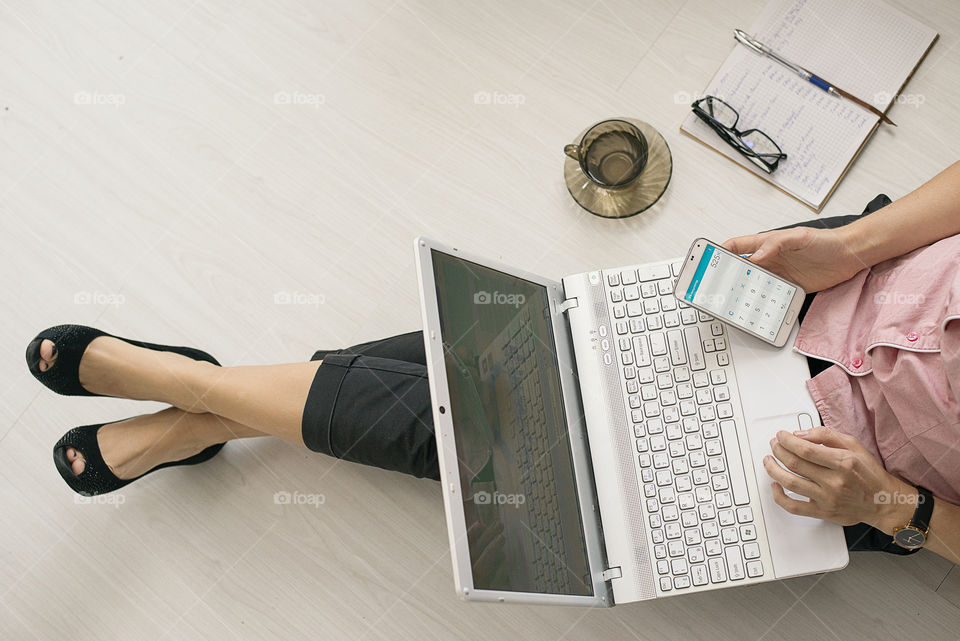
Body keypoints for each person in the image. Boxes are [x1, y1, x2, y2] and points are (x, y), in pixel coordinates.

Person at [26, 161, 960, 566]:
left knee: (513, 436)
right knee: (547, 350)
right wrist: (855, 245)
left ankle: (199, 392)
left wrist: (891, 507)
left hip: (845, 460)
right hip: (839, 289)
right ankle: (200, 404)